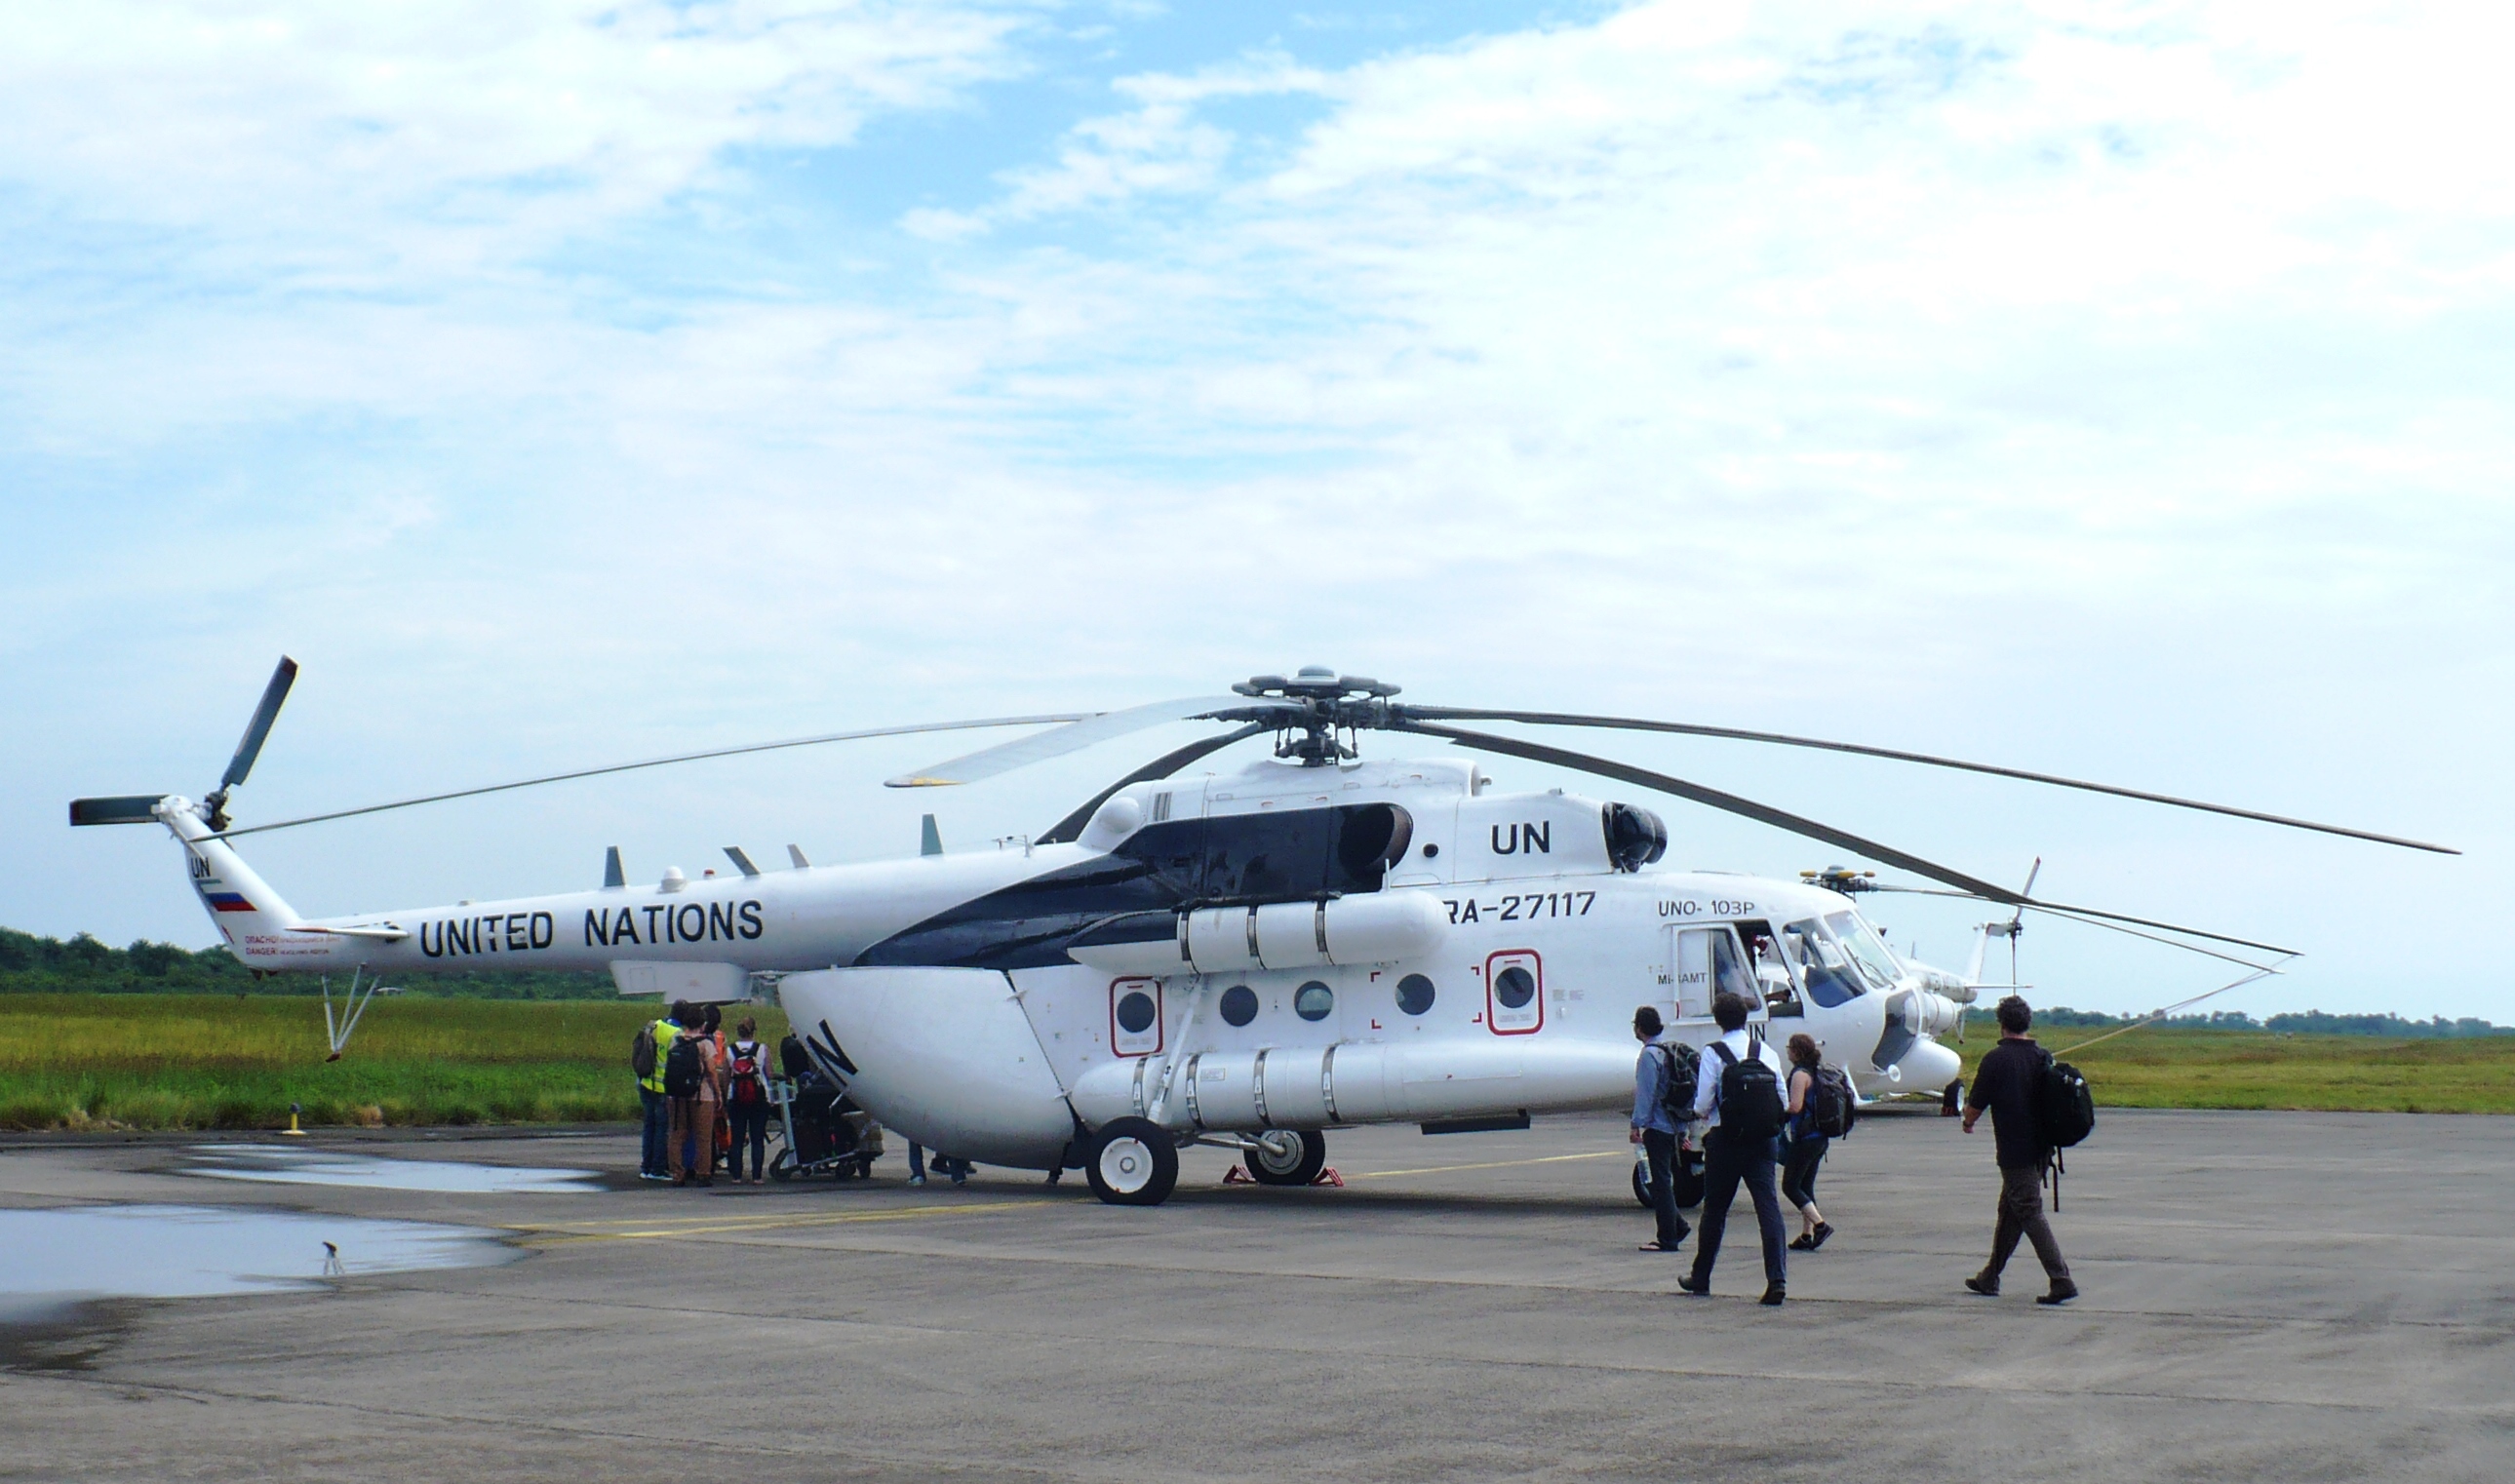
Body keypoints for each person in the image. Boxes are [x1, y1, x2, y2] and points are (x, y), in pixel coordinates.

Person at [1676, 992, 1791, 1305]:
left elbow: (1702, 1103)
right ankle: (1776, 1279)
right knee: (1768, 1208)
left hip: (1726, 1140)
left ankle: (1701, 1276)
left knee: (1715, 1210)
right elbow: (1782, 1100)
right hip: (1763, 1141)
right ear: (1746, 1018)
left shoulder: (1713, 1054)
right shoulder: (1765, 1052)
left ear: (1718, 1021)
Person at [1961, 996, 2077, 1305]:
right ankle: (1990, 1277)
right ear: (2027, 1023)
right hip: (2041, 1151)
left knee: (2028, 1212)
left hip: (2016, 1152)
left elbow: (1975, 1106)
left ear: (2001, 1024)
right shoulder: (2042, 1056)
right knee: (2010, 1212)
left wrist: (1968, 1122)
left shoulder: (1995, 1060)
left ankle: (2061, 1279)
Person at [1629, 1005, 1692, 1253]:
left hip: (1657, 1126)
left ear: (1640, 1028)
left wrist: (1636, 1125)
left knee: (1660, 1183)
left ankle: (1668, 1237)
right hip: (1675, 1124)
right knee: (1663, 1179)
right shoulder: (1669, 1050)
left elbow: (1646, 1095)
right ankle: (1679, 1224)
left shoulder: (1648, 1056)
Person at [1781, 1032, 1835, 1251]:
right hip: (1820, 1137)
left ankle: (1820, 1225)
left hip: (1805, 1139)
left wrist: (1776, 1108)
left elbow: (1795, 1106)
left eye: (1789, 1048)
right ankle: (1806, 1234)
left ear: (1796, 1052)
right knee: (1805, 1185)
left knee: (1790, 1186)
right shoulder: (1816, 1071)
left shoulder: (1799, 1075)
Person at [666, 1012, 725, 1187]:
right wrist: (718, 1093)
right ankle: (702, 1173)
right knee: (703, 1137)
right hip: (701, 1094)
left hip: (677, 1095)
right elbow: (711, 1071)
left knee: (677, 1135)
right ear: (703, 1024)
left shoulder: (675, 1041)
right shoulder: (705, 1043)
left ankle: (677, 1174)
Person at [635, 1002, 685, 1183]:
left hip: (646, 1083)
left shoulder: (655, 1025)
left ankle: (646, 1167)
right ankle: (657, 1168)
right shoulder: (676, 1034)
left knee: (649, 1127)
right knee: (662, 1129)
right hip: (663, 1087)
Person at [723, 1016, 773, 1185]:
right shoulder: (762, 1049)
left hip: (736, 1098)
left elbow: (725, 1077)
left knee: (737, 1138)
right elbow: (769, 1073)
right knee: (757, 1138)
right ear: (754, 1031)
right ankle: (757, 1176)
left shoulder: (730, 1051)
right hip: (759, 1098)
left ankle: (736, 1175)